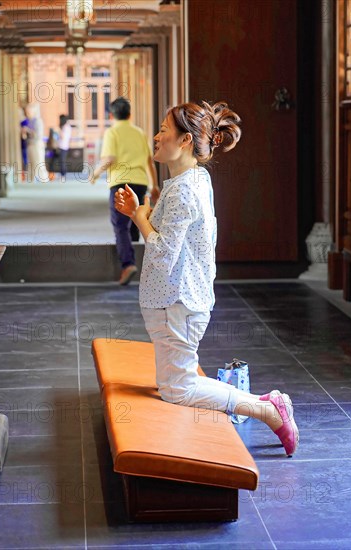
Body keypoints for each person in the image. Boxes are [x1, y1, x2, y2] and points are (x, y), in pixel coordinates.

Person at [114, 100, 299, 457]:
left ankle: (267, 408)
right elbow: (175, 233)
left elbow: (165, 251)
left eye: (164, 130)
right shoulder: (193, 177)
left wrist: (139, 217)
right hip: (179, 300)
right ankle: (266, 404)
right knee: (174, 383)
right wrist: (140, 209)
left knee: (178, 389)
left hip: (176, 302)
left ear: (184, 141)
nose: (156, 136)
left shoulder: (184, 188)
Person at [91, 97, 160, 285]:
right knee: (137, 221)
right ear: (130, 114)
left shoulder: (112, 132)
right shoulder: (139, 132)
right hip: (139, 182)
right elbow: (149, 161)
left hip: (120, 182)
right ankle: (144, 267)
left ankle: (128, 264)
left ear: (111, 115)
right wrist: (154, 186)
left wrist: (95, 174)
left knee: (120, 225)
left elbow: (110, 158)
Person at [25, 103, 49, 183]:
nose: (27, 114)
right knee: (31, 164)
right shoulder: (30, 121)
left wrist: (28, 131)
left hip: (37, 145)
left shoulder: (38, 121)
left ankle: (44, 180)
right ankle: (30, 181)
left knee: (39, 163)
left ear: (33, 112)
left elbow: (38, 135)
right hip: (30, 145)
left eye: (28, 112)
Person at [57, 114, 72, 179]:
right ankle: (62, 174)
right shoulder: (66, 126)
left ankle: (63, 175)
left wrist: (58, 130)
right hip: (62, 146)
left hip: (63, 146)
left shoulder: (66, 127)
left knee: (62, 161)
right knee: (61, 161)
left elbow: (63, 136)